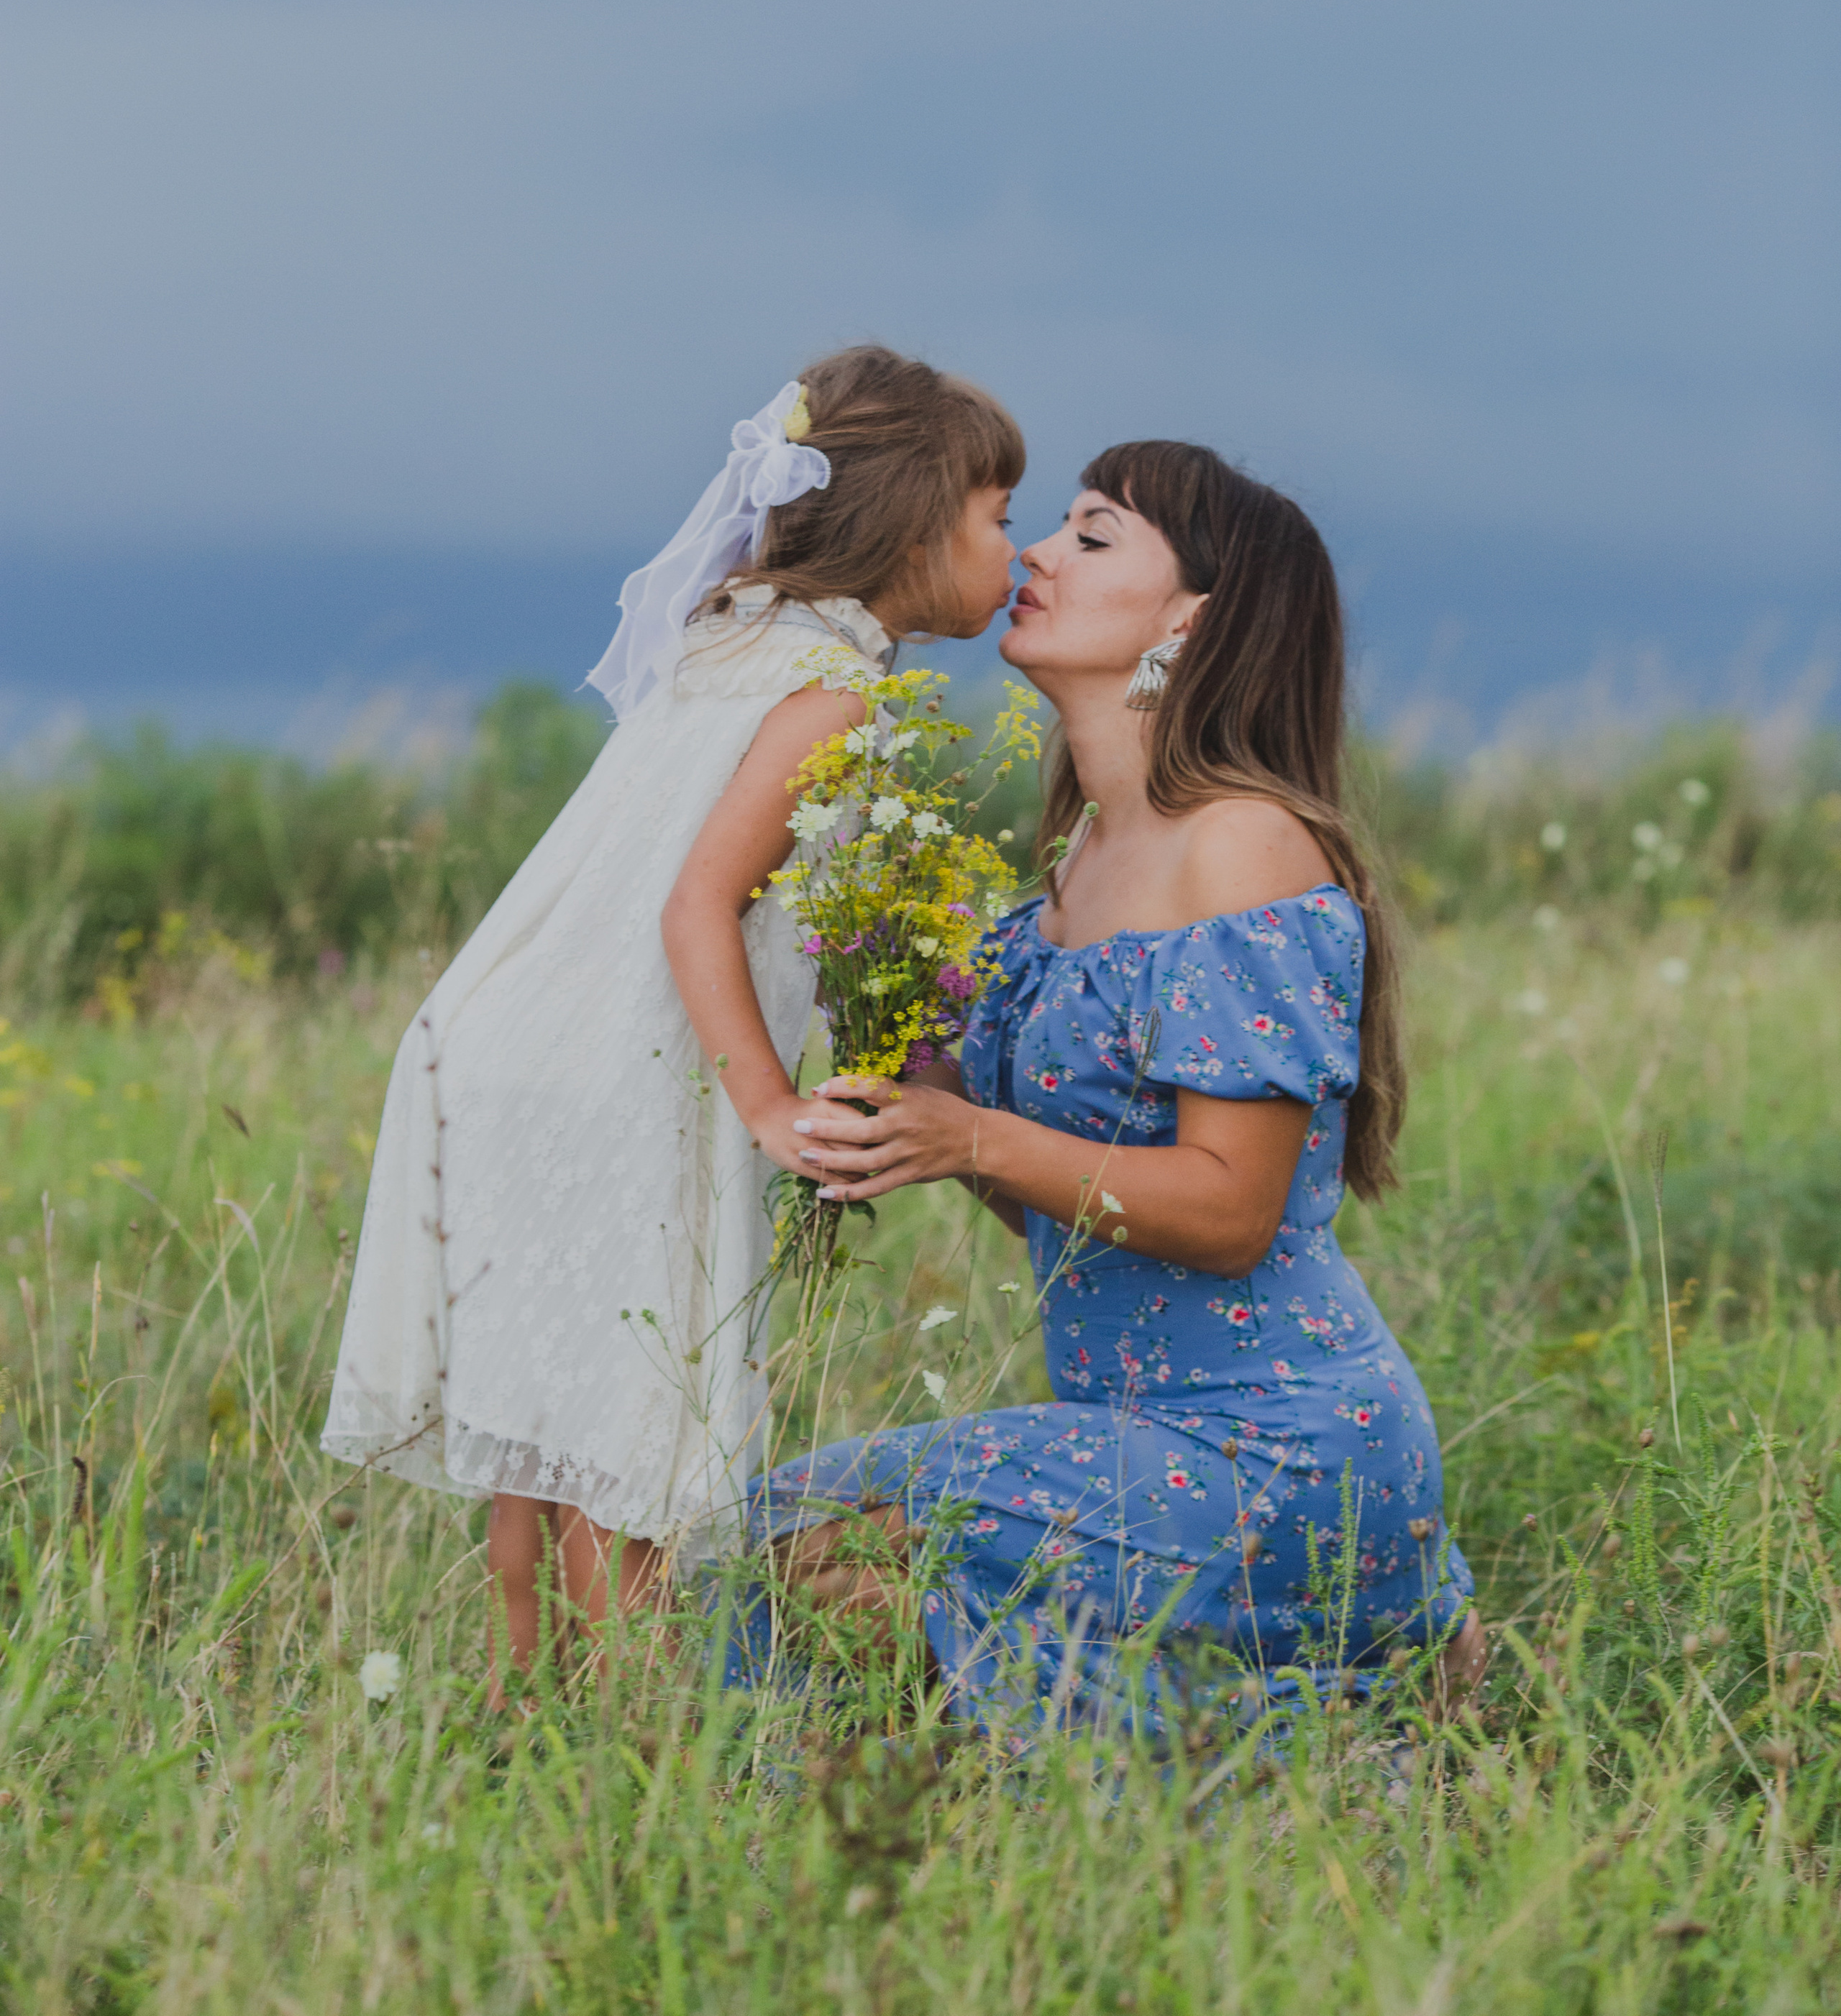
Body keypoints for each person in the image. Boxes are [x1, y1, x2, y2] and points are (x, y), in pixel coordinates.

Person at [745, 440, 1484, 1733]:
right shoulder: (1078, 858)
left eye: (1092, 537)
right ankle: (1277, 1711)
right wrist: (912, 1096)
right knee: (783, 1531)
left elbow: (1228, 1211)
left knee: (799, 1539)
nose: (1033, 551)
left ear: (1191, 614)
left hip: (1276, 1446)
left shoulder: (1242, 844)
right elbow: (1067, 1209)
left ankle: (1296, 1726)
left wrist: (969, 1127)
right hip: (1137, 1438)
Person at [322, 346, 1021, 1697]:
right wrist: (766, 1104)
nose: (1017, 545)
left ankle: (532, 1726)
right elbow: (699, 906)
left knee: (544, 1438)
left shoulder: (732, 639)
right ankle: (647, 1761)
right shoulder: (835, 693)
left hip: (510, 1044)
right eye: (999, 515)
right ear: (920, 527)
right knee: (630, 1444)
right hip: (617, 1075)